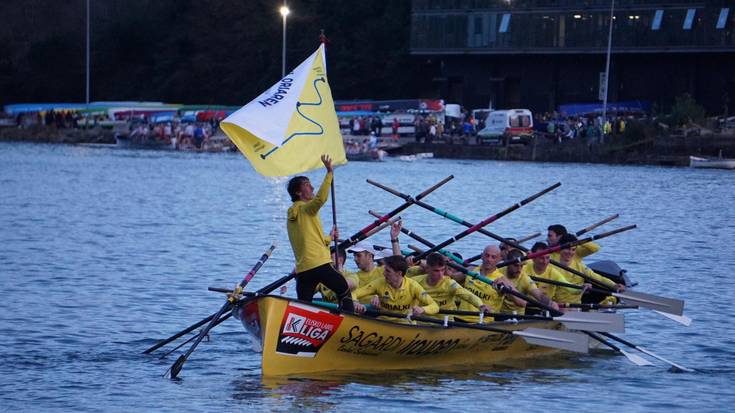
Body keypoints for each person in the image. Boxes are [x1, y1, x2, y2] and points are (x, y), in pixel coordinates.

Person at [286, 155, 354, 311]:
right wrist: (329, 172)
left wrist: (329, 238)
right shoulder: (306, 208)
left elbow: (310, 240)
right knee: (343, 288)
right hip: (319, 264)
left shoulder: (293, 214)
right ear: (298, 192)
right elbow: (321, 199)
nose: (312, 188)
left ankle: (302, 328)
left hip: (303, 270)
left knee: (304, 305)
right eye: (307, 185)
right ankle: (350, 320)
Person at [353, 255, 439, 323]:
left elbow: (435, 306)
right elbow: (355, 293)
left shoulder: (413, 286)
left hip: (405, 323)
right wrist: (355, 302)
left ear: (399, 273)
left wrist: (422, 309)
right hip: (383, 322)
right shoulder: (379, 283)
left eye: (388, 271)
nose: (384, 273)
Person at [413, 253, 488, 320]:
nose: (440, 275)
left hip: (445, 321)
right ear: (428, 269)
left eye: (442, 270)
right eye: (436, 271)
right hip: (422, 321)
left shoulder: (450, 284)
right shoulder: (416, 281)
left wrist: (480, 305)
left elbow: (468, 295)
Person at [554, 233, 625, 299]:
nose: (570, 252)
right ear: (560, 248)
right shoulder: (551, 266)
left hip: (575, 306)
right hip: (554, 305)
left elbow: (598, 278)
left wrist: (613, 285)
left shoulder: (580, 267)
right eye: (567, 249)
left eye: (573, 250)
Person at [496, 249, 559, 315]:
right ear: (507, 263)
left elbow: (539, 295)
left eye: (521, 266)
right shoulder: (498, 271)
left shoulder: (524, 278)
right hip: (498, 313)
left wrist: (550, 303)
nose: (519, 269)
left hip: (518, 316)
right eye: (516, 265)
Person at [522, 242, 576, 312]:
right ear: (533, 258)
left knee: (569, 309)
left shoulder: (553, 273)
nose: (545, 262)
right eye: (541, 258)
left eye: (547, 258)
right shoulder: (523, 269)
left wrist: (582, 288)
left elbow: (570, 288)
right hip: (525, 308)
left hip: (546, 308)